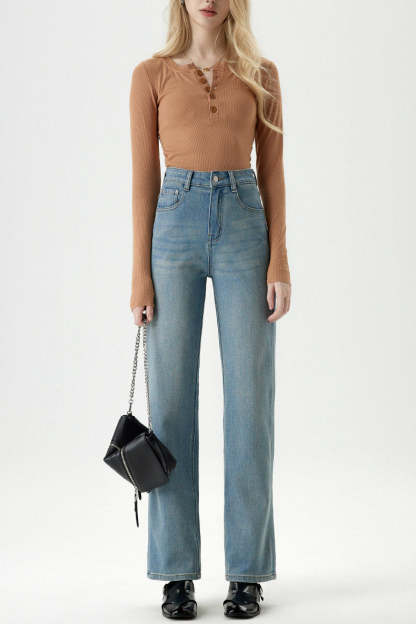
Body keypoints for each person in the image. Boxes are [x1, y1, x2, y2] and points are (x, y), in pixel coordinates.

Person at [128, 0, 291, 618]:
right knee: (170, 408)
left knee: (250, 405)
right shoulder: (151, 74)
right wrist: (140, 272)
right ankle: (175, 572)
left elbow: (272, 170)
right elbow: (143, 179)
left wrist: (280, 260)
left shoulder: (262, 73)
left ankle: (247, 572)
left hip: (246, 226)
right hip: (172, 228)